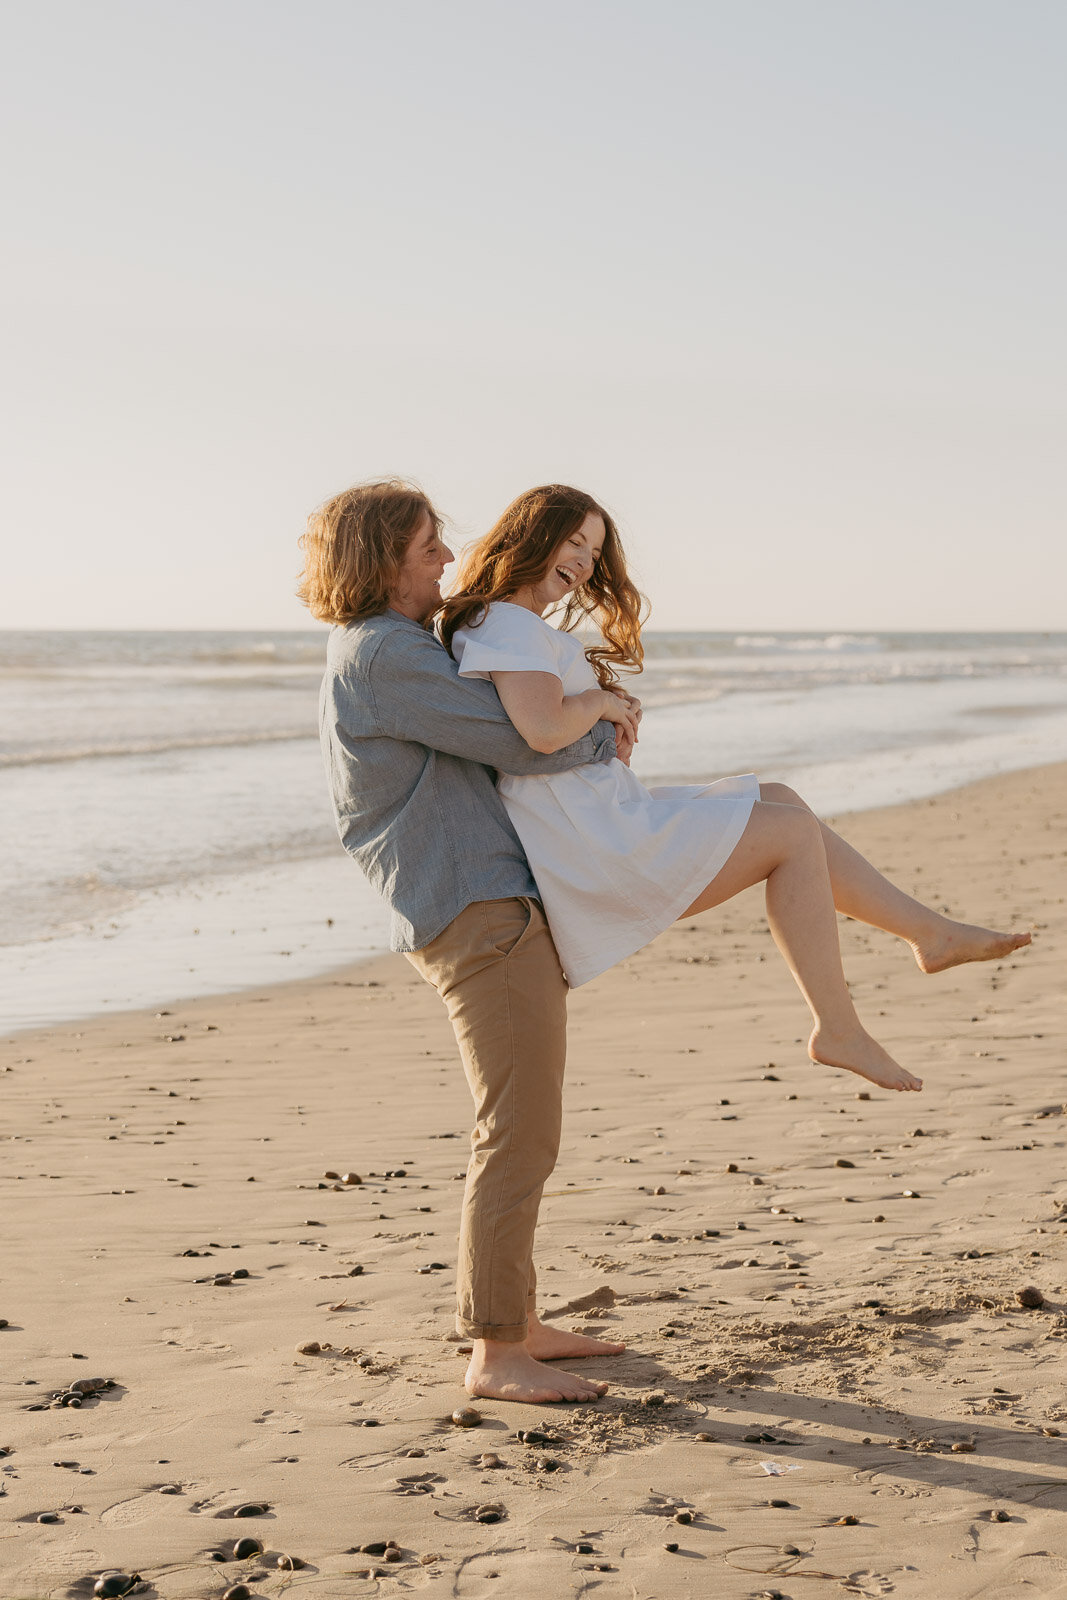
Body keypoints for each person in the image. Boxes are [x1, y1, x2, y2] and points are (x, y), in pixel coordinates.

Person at [438, 484, 1032, 1092]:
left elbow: (537, 729)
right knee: (791, 834)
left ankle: (927, 934)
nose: (586, 562)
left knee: (779, 799)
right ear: (533, 533)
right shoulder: (509, 624)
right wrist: (598, 703)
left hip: (602, 818)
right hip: (599, 845)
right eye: (574, 541)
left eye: (594, 551)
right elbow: (539, 730)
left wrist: (603, 721)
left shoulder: (513, 625)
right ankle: (839, 1027)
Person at [300, 479, 639, 1405]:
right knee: (517, 1128)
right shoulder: (380, 653)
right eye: (425, 548)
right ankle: (495, 1350)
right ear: (376, 560)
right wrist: (604, 719)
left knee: (529, 1121)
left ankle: (517, 1320)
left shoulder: (397, 646)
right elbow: (523, 742)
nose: (446, 559)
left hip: (486, 898)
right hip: (473, 908)